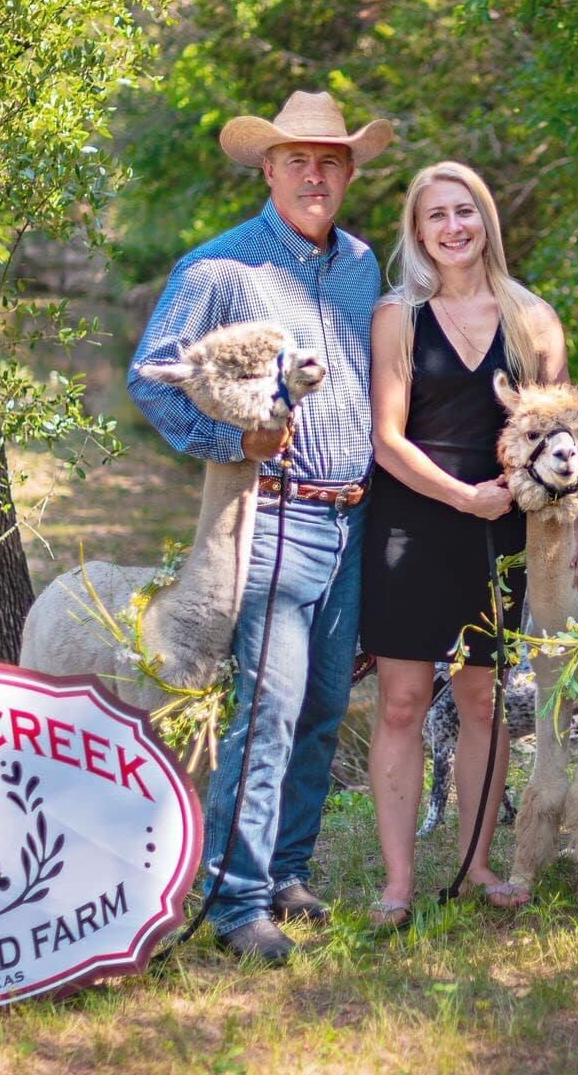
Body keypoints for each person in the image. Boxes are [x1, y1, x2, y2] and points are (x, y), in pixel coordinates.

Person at [129, 90, 392, 963]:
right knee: (270, 707)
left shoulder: (361, 266)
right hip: (274, 514)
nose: (314, 175)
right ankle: (235, 901)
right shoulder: (221, 270)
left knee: (322, 706)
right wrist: (231, 438)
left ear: (349, 172)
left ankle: (285, 871)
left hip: (356, 517)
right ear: (268, 169)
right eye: (297, 161)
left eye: (330, 161)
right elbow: (150, 376)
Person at [361, 161, 576, 928]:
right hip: (410, 522)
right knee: (403, 701)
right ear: (417, 233)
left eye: (466, 212)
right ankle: (397, 879)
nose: (453, 227)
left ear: (486, 219)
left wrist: (565, 531)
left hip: (504, 530)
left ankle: (477, 861)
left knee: (482, 697)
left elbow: (561, 439)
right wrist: (462, 495)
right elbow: (386, 439)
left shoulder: (534, 320)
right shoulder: (399, 317)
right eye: (436, 217)